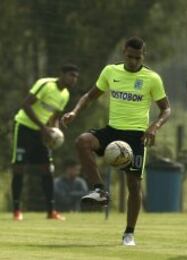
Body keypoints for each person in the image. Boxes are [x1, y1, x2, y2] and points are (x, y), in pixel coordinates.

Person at [61, 37, 171, 246]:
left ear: (143, 56)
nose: (132, 61)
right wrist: (74, 112)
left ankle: (129, 233)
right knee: (82, 141)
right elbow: (90, 96)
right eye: (129, 57)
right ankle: (99, 190)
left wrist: (154, 126)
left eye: (137, 58)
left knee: (133, 184)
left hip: (137, 135)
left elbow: (166, 108)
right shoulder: (110, 72)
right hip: (113, 131)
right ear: (123, 53)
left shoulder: (152, 78)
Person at [11, 64, 79, 221]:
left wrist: (54, 133)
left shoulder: (65, 95)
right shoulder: (45, 84)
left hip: (42, 133)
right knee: (19, 168)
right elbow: (26, 104)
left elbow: (54, 117)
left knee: (47, 169)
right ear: (61, 74)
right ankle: (16, 210)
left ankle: (51, 211)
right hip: (24, 128)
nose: (73, 79)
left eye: (76, 77)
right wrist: (43, 128)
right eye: (71, 75)